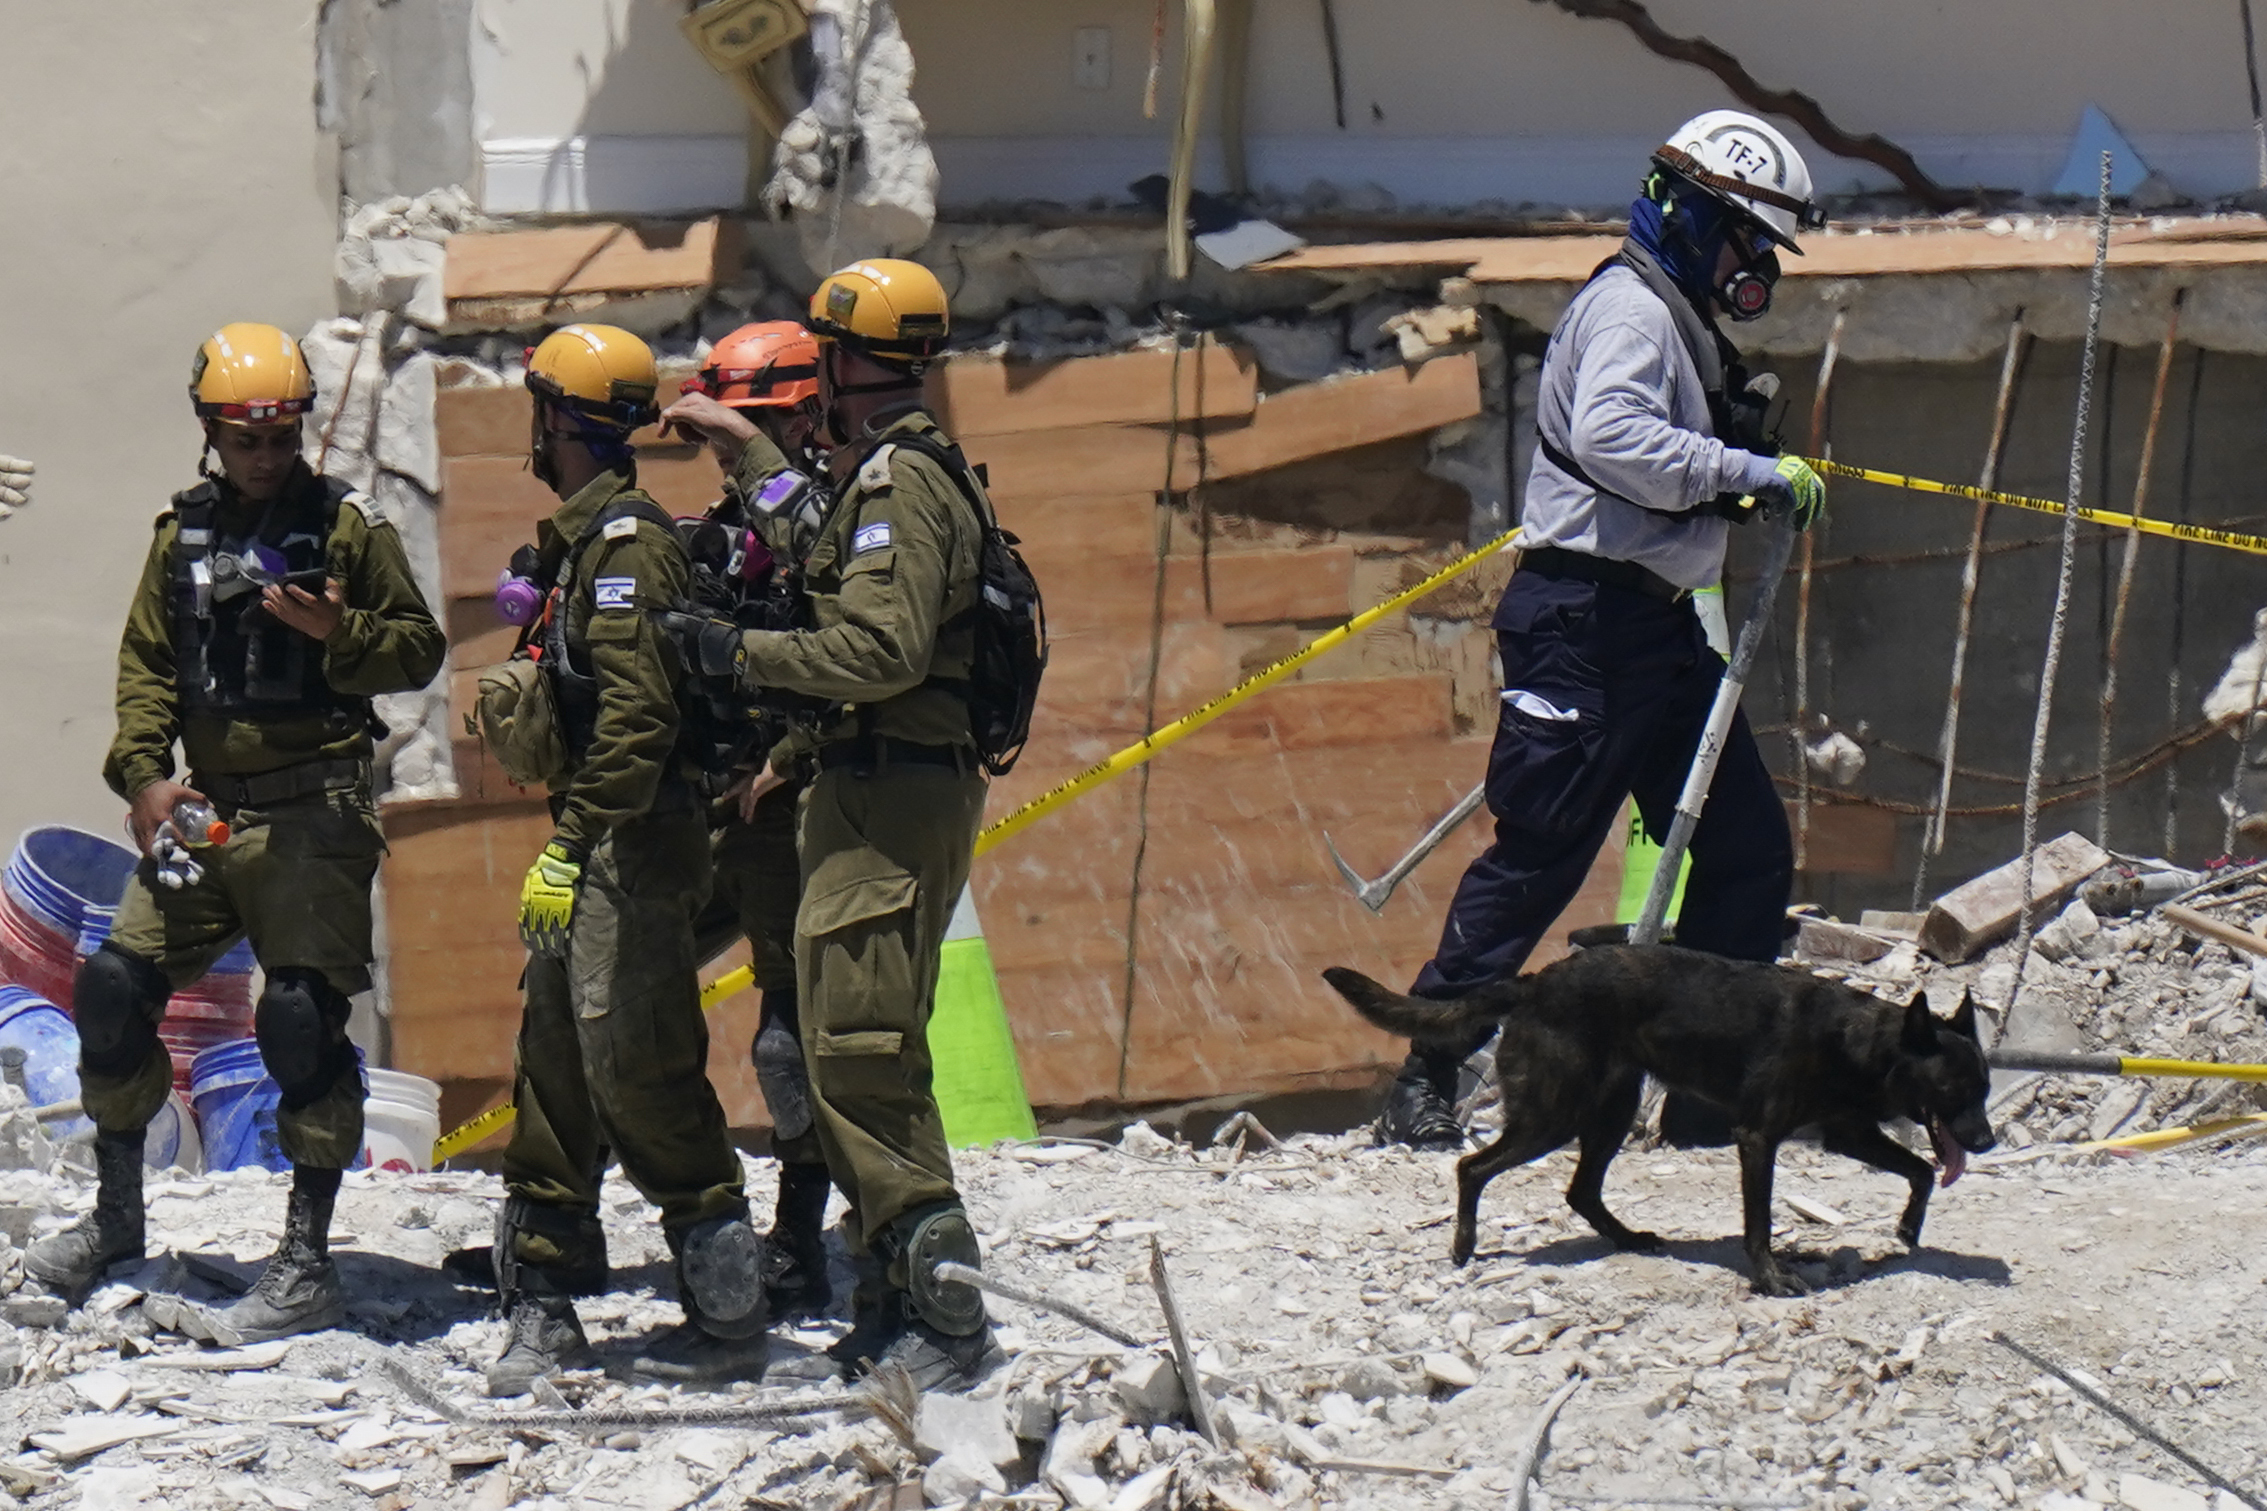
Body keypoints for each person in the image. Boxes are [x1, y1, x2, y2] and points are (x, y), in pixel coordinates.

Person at [1374, 111, 1829, 1150]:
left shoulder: (1673, 315)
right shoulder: (1629, 311)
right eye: (1747, 241)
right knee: (1540, 854)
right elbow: (1612, 438)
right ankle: (1429, 1066)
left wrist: (1737, 469)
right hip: (1584, 622)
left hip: (1659, 632)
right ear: (1696, 216)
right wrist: (1745, 472)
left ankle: (1710, 1095)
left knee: (1746, 848)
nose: (1753, 267)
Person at [26, 324, 444, 1343]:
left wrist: (334, 632)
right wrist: (142, 776)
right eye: (246, 439)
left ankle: (305, 1262)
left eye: (281, 436)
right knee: (115, 988)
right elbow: (146, 666)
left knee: (299, 1020)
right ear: (212, 432)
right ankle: (117, 1218)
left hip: (313, 808)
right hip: (206, 809)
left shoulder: (345, 528)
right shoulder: (185, 535)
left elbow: (420, 648)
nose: (265, 456)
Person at [669, 259, 999, 1391]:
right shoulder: (884, 476)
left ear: (850, 360)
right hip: (870, 782)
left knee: (860, 1058)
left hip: (892, 793)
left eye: (825, 357)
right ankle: (887, 1291)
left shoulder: (902, 485)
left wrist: (734, 652)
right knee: (843, 1045)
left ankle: (944, 1319)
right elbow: (812, 545)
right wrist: (745, 448)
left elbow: (880, 652)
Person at [485, 323, 768, 1394]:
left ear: (552, 418)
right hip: (596, 830)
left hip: (629, 839)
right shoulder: (576, 542)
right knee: (554, 1047)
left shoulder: (623, 549)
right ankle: (544, 1282)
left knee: (632, 1053)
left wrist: (568, 842)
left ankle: (721, 1277)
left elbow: (639, 721)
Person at [661, 321, 842, 1321]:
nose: (732, 452)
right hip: (701, 812)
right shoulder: (716, 534)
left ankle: (800, 1240)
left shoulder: (838, 521)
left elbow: (871, 654)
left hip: (788, 816)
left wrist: (792, 757)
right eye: (722, 437)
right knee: (602, 991)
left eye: (755, 430)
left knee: (785, 1047)